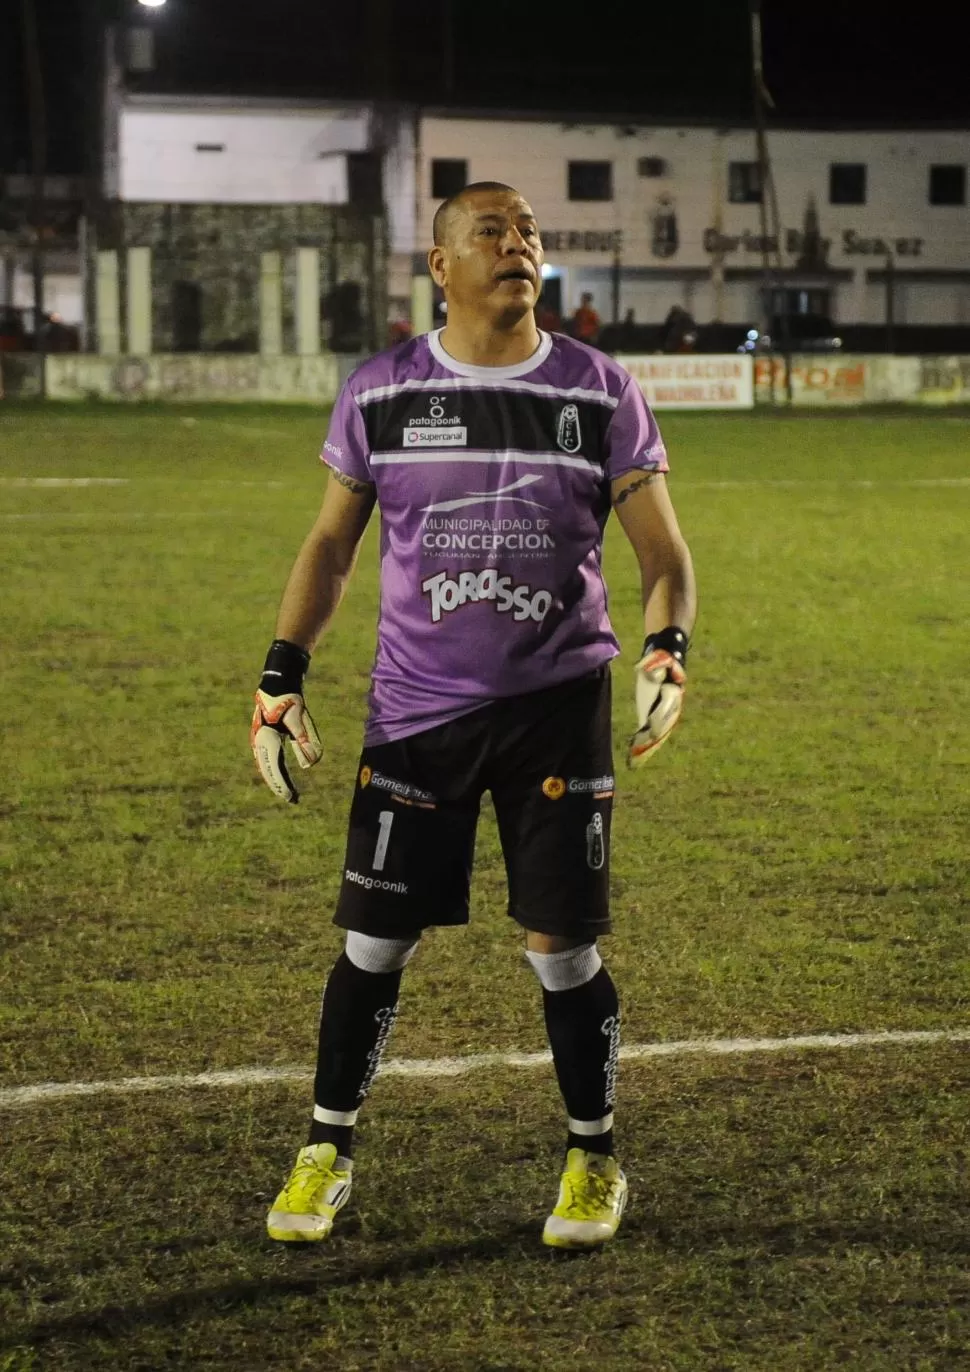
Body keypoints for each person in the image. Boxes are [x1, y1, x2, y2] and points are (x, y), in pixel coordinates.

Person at [251, 181, 696, 1250]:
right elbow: (328, 546)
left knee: (562, 950)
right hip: (416, 713)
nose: (518, 244)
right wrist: (279, 674)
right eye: (490, 231)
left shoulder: (597, 389)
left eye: (529, 231)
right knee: (373, 938)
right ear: (440, 267)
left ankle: (592, 1157)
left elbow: (663, 555)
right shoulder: (380, 392)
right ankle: (325, 1149)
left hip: (555, 707)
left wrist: (667, 647)